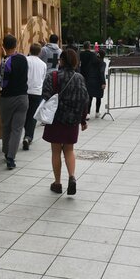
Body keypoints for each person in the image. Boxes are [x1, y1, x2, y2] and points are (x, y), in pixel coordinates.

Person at [42, 50, 89, 195]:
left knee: (56, 151)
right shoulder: (79, 77)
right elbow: (84, 99)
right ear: (75, 62)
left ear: (61, 61)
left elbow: (45, 95)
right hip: (72, 120)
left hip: (55, 119)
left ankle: (57, 183)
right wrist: (82, 120)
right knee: (69, 150)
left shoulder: (53, 76)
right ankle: (72, 177)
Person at [0, 34, 29, 170]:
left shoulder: (5, 62)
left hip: (8, 98)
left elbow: (1, 81)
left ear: (3, 46)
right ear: (16, 45)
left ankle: (6, 151)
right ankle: (11, 157)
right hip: (23, 97)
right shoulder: (23, 59)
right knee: (17, 129)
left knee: (6, 126)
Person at [24, 42, 48, 150]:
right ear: (40, 52)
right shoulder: (43, 64)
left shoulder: (25, 60)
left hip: (25, 91)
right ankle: (28, 136)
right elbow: (43, 78)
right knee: (32, 115)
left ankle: (25, 131)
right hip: (37, 92)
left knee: (23, 113)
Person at [85, 49, 107, 118]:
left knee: (90, 98)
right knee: (98, 97)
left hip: (90, 80)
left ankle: (88, 113)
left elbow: (88, 70)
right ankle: (97, 112)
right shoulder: (102, 63)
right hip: (98, 82)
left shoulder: (92, 61)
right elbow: (101, 72)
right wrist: (103, 82)